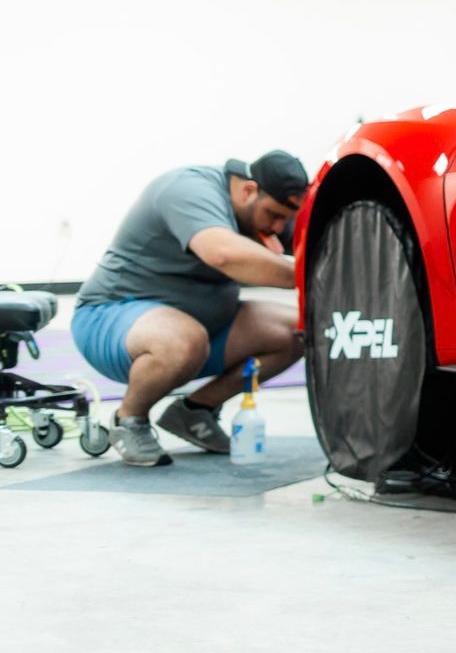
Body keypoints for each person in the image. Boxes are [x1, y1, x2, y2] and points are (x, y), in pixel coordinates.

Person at [72, 152, 309, 466]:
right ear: (248, 191)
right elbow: (223, 254)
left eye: (285, 219)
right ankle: (128, 419)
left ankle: (195, 411)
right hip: (111, 317)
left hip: (202, 329)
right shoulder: (189, 190)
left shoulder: (261, 212)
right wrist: (310, 277)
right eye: (274, 215)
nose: (279, 227)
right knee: (183, 340)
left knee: (298, 329)